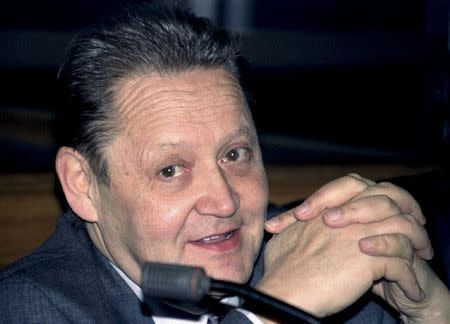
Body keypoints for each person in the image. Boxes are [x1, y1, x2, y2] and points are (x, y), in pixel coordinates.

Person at [0, 2, 449, 323]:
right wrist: (273, 310)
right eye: (171, 169)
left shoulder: (325, 258)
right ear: (84, 185)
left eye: (234, 155)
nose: (223, 200)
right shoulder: (28, 306)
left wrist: (429, 312)